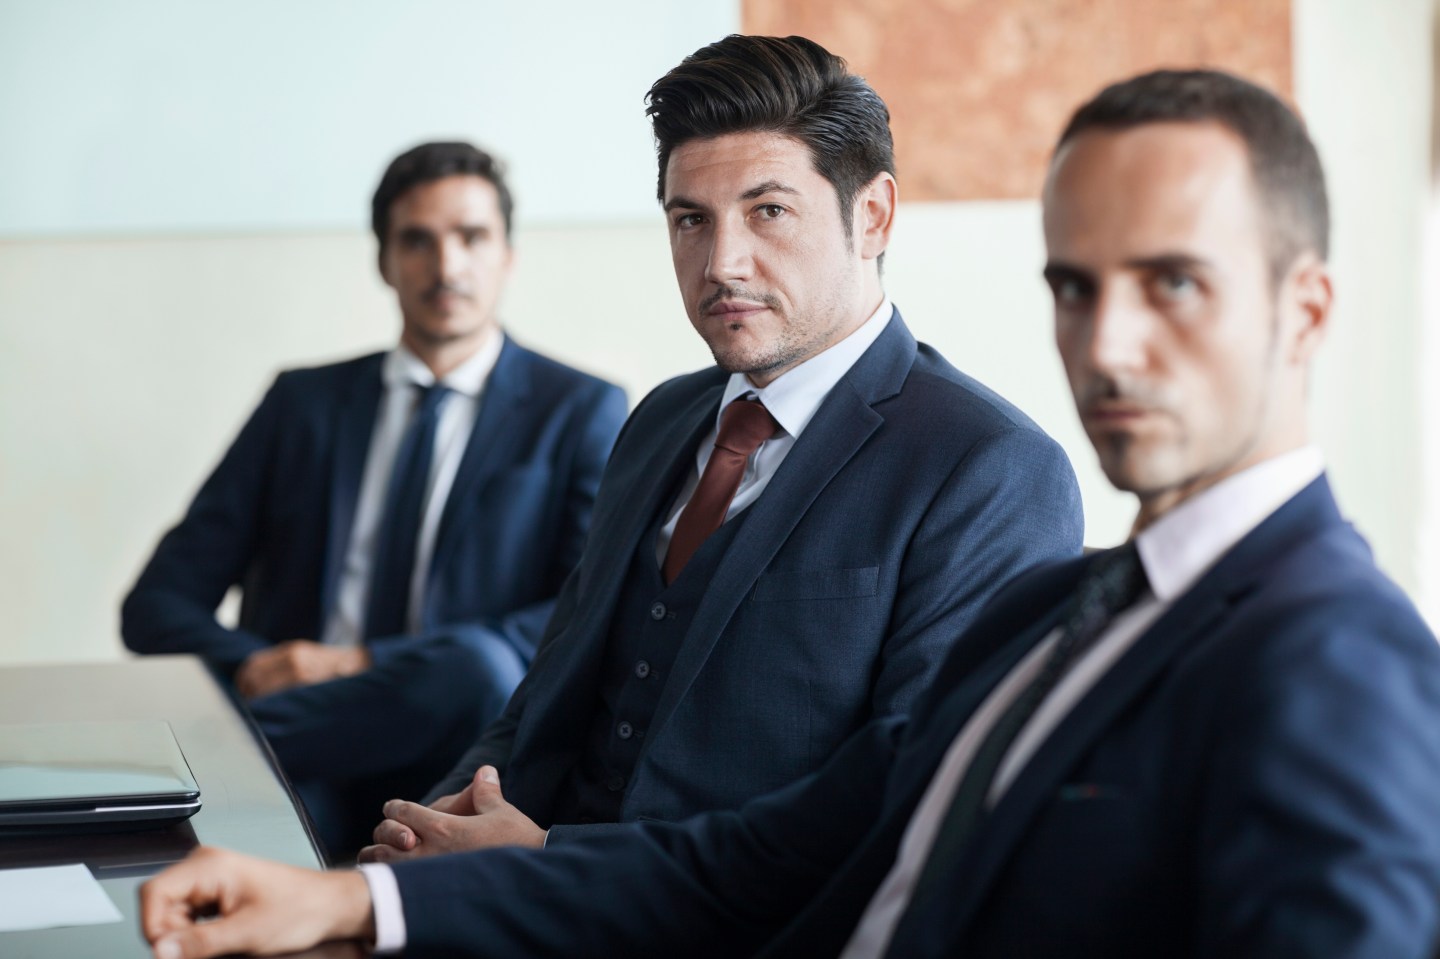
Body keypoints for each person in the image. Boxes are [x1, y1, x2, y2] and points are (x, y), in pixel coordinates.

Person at [140, 66, 1440, 959]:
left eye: (1174, 284)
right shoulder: (1068, 601)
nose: (1107, 343)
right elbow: (766, 853)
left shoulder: (1339, 657)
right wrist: (351, 899)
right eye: (1073, 286)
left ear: (1307, 308)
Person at [121, 141, 628, 859]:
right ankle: (239, 755)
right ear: (384, 260)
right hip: (313, 755)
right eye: (417, 240)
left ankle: (210, 752)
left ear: (507, 255)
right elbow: (156, 605)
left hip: (464, 753)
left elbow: (581, 616)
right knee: (288, 847)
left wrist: (355, 663)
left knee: (477, 667)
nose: (447, 265)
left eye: (471, 237)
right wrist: (251, 666)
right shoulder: (303, 404)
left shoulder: (580, 410)